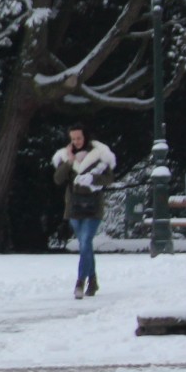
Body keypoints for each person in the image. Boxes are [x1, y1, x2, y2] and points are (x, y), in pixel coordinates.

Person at [52, 125, 117, 299]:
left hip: (93, 206)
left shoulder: (99, 155)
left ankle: (80, 282)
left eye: (79, 138)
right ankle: (93, 280)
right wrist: (69, 162)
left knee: (86, 241)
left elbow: (110, 178)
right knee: (84, 245)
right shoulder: (65, 155)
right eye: (73, 138)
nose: (76, 141)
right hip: (73, 206)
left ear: (85, 137)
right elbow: (58, 179)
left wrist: (93, 178)